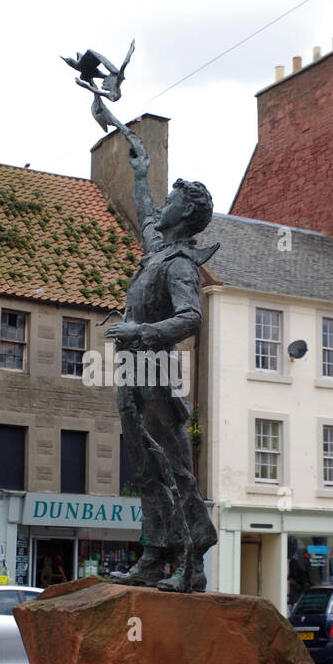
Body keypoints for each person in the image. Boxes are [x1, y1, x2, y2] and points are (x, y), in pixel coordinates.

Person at [105, 127, 219, 593]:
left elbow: (191, 318)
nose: (163, 205)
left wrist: (140, 331)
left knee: (174, 467)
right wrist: (141, 171)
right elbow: (146, 211)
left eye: (172, 199)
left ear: (186, 212)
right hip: (132, 371)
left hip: (156, 371)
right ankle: (153, 555)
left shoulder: (180, 265)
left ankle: (193, 561)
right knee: (145, 466)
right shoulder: (158, 249)